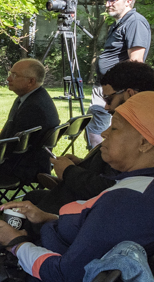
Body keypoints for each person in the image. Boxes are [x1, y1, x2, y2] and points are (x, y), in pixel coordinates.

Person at [0, 92, 154, 282]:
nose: (105, 133)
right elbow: (100, 231)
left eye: (115, 128)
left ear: (144, 143)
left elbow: (66, 274)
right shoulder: (140, 185)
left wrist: (17, 243)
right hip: (63, 271)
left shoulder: (128, 201)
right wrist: (46, 218)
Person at [26, 62, 154, 213]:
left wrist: (69, 172)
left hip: (80, 211)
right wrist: (84, 164)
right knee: (34, 197)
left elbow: (112, 187)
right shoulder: (135, 131)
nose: (106, 106)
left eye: (108, 99)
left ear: (130, 94)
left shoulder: (139, 133)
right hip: (75, 206)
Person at [86, 0, 152, 147]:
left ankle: (101, 166)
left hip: (117, 91)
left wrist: (120, 94)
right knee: (92, 126)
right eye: (106, 1)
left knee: (97, 130)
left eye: (112, 0)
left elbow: (136, 61)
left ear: (128, 1)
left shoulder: (135, 22)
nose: (107, 5)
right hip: (108, 88)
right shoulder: (119, 23)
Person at [0, 59, 59, 185]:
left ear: (31, 81)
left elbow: (10, 146)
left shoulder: (33, 107)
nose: (8, 79)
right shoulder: (36, 97)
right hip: (30, 162)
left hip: (21, 167)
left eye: (14, 75)